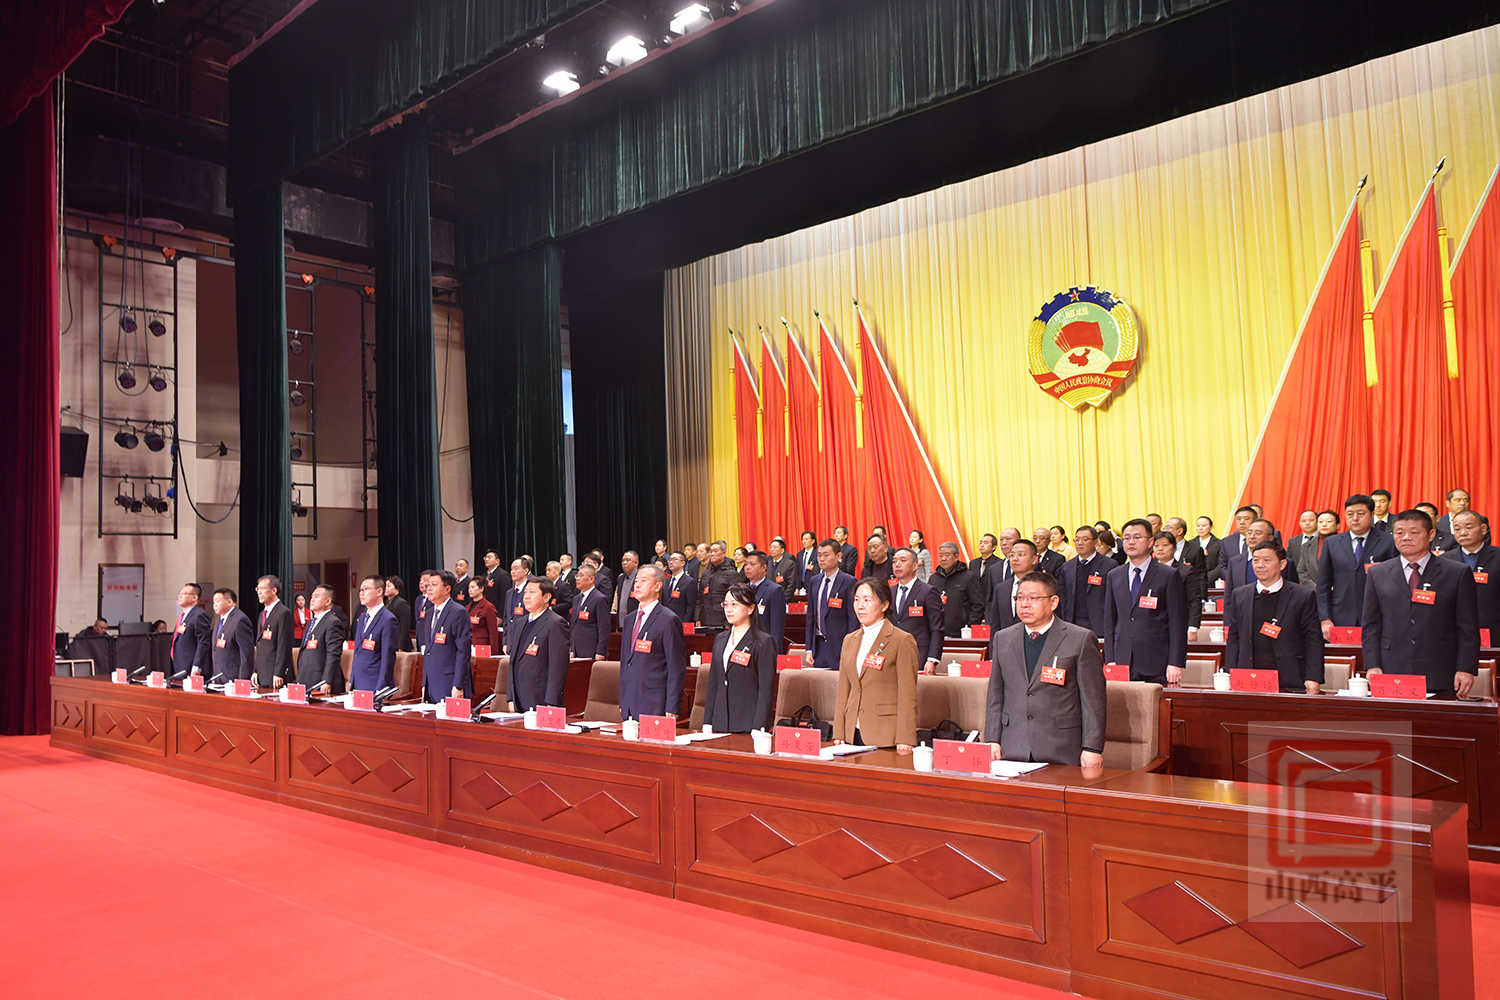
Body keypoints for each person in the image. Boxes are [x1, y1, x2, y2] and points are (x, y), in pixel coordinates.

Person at [984, 571, 1105, 767]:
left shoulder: (1080, 639)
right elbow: (995, 695)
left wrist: (1092, 748)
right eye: (1019, 598)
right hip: (1013, 746)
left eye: (1033, 598)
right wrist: (992, 739)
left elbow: (1093, 700)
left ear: (1053, 602)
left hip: (1062, 749)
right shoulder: (1002, 638)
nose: (1024, 604)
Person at [1362, 509, 1479, 698]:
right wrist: (1372, 665)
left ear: (1431, 534)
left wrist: (1466, 668)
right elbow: (1371, 626)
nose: (1406, 538)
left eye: (1414, 532)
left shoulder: (1457, 573)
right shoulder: (1378, 573)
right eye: (1399, 532)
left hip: (1441, 669)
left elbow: (1468, 627)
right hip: (1391, 668)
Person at [1223, 543, 1323, 693]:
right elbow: (1233, 638)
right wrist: (1230, 672)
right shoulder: (1240, 595)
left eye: (1266, 560)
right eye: (1256, 560)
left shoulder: (1302, 596)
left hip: (1289, 678)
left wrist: (1313, 677)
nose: (1260, 565)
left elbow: (1313, 640)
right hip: (1248, 677)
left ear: (1282, 564)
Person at [833, 577, 919, 752]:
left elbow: (907, 694)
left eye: (867, 600)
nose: (860, 606)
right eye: (857, 600)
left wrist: (905, 737)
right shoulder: (849, 640)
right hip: (852, 732)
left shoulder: (901, 640)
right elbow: (843, 689)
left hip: (885, 734)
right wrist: (839, 731)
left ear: (884, 605)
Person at [1102, 519, 1187, 685]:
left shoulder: (1168, 575)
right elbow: (1109, 621)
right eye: (1127, 538)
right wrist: (1110, 658)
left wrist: (1175, 662)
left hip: (1156, 660)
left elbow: (1177, 622)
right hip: (1122, 659)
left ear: (1150, 542)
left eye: (1137, 537)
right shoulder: (1114, 575)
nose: (1131, 542)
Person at [1317, 494, 1396, 639]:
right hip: (1340, 616)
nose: (1355, 518)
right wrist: (1325, 618)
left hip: (1378, 615)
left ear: (1371, 514)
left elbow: (1395, 583)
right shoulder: (1332, 543)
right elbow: (1323, 585)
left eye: (1360, 514)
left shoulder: (1388, 542)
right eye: (1350, 514)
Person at [703, 582, 778, 732]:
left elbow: (766, 690)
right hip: (720, 722)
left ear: (750, 608)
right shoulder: (720, 639)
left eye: (734, 604)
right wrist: (707, 722)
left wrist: (759, 727)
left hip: (747, 723)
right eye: (726, 604)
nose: (729, 609)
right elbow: (714, 684)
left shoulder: (763, 642)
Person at [618, 566, 687, 720]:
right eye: (636, 581)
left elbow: (676, 667)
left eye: (643, 581)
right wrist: (623, 698)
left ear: (657, 586)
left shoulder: (668, 619)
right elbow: (625, 662)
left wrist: (672, 706)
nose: (637, 585)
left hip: (655, 703)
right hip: (629, 702)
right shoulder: (629, 619)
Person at [505, 576, 570, 711]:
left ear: (546, 597)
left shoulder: (556, 623)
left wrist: (551, 703)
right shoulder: (519, 623)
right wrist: (510, 697)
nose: (526, 597)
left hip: (541, 700)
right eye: (525, 592)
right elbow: (513, 662)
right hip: (518, 699)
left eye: (532, 592)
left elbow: (558, 667)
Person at [1445, 510, 1498, 643]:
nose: (1463, 533)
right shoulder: (1444, 560)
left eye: (1468, 527)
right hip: (1454, 631)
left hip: (1493, 628)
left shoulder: (1498, 556)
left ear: (1483, 529)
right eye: (1457, 529)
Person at [804, 538, 858, 669]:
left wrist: (851, 647)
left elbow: (853, 619)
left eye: (826, 555)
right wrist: (809, 648)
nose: (821, 559)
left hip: (840, 647)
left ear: (838, 556)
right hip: (818, 647)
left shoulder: (849, 581)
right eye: (819, 555)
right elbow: (810, 617)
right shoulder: (814, 581)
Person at [420, 570, 472, 702]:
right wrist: (424, 683)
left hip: (450, 682)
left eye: (434, 585)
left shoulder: (458, 612)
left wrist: (458, 685)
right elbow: (428, 650)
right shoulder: (429, 613)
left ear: (447, 589)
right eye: (428, 585)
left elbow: (463, 652)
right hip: (431, 682)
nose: (429, 588)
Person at [889, 547, 943, 672]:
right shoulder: (889, 592)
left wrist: (932, 659)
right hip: (892, 656)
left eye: (903, 560)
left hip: (918, 655)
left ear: (914, 566)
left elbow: (937, 628)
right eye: (894, 561)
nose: (897, 564)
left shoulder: (928, 591)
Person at [350, 575, 400, 691]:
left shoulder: (388, 619)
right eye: (360, 590)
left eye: (366, 589)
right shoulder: (362, 617)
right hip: (358, 682)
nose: (361, 593)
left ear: (379, 592)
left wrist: (381, 688)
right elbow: (357, 652)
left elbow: (387, 657)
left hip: (374, 683)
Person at [296, 584, 347, 694]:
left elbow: (333, 654)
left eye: (317, 596)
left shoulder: (333, 622)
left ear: (328, 601)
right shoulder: (311, 622)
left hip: (321, 682)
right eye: (312, 596)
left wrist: (326, 680)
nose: (312, 599)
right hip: (306, 677)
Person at [1058, 525, 1109, 634]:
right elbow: (1062, 597)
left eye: (1085, 539)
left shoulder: (1109, 565)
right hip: (1072, 623)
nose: (1079, 543)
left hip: (1099, 623)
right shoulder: (1066, 567)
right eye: (1077, 540)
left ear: (1095, 542)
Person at [985, 537, 1040, 632]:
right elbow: (995, 624)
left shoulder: (1043, 586)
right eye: (1012, 555)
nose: (1015, 559)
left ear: (1034, 559)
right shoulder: (1001, 588)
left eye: (1021, 554)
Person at [252, 574, 294, 689]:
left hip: (275, 674)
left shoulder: (283, 613)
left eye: (262, 589)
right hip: (262, 672)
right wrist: (256, 670)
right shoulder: (262, 614)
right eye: (258, 589)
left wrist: (279, 672)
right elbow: (259, 645)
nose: (259, 592)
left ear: (274, 590)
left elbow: (283, 646)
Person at [928, 542, 978, 637]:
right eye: (940, 555)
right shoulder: (933, 578)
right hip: (937, 632)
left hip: (962, 633)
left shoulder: (969, 577)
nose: (943, 558)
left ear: (956, 556)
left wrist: (969, 627)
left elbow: (977, 605)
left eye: (947, 555)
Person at [742, 551, 788, 650]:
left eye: (752, 564)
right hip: (745, 646)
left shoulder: (774, 590)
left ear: (764, 567)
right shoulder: (742, 590)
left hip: (764, 646)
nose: (747, 567)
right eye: (746, 564)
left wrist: (773, 651)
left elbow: (777, 627)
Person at [1181, 516, 1221, 628]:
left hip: (1212, 581)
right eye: (1198, 526)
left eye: (1204, 526)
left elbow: (1220, 565)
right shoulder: (1190, 544)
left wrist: (1208, 577)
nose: (1201, 528)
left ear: (1211, 527)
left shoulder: (1219, 543)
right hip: (1193, 582)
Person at [208, 587, 254, 683]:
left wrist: (242, 681)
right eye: (213, 602)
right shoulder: (218, 619)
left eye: (217, 601)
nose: (214, 605)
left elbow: (246, 654)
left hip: (233, 678)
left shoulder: (240, 620)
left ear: (229, 602)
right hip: (218, 677)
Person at [168, 582, 212, 679]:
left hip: (190, 668)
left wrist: (197, 666)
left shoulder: (199, 615)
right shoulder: (184, 616)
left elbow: (203, 642)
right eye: (179, 593)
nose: (180, 596)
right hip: (178, 665)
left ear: (194, 598)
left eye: (184, 593)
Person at [570, 564, 610, 660]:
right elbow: (573, 625)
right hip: (576, 649)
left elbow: (604, 627)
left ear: (591, 579)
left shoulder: (599, 598)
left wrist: (600, 651)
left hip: (592, 649)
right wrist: (571, 648)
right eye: (577, 576)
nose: (577, 578)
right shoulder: (576, 599)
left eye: (581, 575)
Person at [697, 541, 739, 628]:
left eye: (715, 551)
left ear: (724, 553)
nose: (712, 554)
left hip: (723, 619)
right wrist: (697, 617)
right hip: (705, 619)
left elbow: (736, 599)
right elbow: (700, 597)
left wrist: (729, 622)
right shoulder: (706, 573)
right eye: (711, 551)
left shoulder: (731, 573)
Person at [1216, 505, 1257, 586]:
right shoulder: (1226, 542)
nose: (1242, 522)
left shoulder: (1262, 540)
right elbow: (1222, 565)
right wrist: (1233, 579)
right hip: (1234, 587)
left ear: (1255, 521)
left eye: (1246, 519)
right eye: (1238, 519)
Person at [500, 558, 531, 653]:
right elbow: (506, 619)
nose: (513, 572)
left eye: (516, 568)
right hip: (510, 642)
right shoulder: (509, 593)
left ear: (526, 571)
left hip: (526, 640)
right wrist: (505, 642)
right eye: (511, 569)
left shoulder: (531, 591)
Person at [1286, 509, 1322, 586]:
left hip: (1319, 582)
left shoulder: (1323, 539)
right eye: (1304, 521)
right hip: (1297, 583)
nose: (1307, 523)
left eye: (1311, 520)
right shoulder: (1293, 541)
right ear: (1299, 523)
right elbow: (1289, 562)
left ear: (1317, 521)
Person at [662, 551, 698, 623]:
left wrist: (685, 623)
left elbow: (690, 606)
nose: (671, 562)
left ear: (683, 563)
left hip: (681, 622)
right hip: (666, 621)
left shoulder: (689, 581)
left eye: (674, 559)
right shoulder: (666, 581)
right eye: (670, 560)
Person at [465, 578, 500, 652]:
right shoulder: (467, 607)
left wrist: (493, 652)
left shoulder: (488, 607)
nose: (470, 590)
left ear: (481, 589)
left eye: (473, 587)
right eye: (469, 587)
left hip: (481, 647)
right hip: (468, 644)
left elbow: (493, 632)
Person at [384, 575, 414, 651]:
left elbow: (404, 627)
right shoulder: (386, 603)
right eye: (385, 586)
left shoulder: (401, 603)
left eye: (388, 586)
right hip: (389, 641)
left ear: (397, 588)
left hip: (399, 645)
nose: (385, 588)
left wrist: (401, 647)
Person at [615, 550, 641, 624]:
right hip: (621, 621)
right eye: (623, 560)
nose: (624, 563)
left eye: (628, 560)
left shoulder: (641, 577)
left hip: (636, 621)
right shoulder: (620, 578)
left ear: (636, 563)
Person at [794, 530, 819, 594]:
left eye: (806, 539)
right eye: (803, 539)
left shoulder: (818, 553)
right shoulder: (799, 554)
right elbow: (798, 572)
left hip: (814, 585)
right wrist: (797, 587)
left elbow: (818, 570)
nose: (804, 541)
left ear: (813, 541)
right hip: (802, 587)